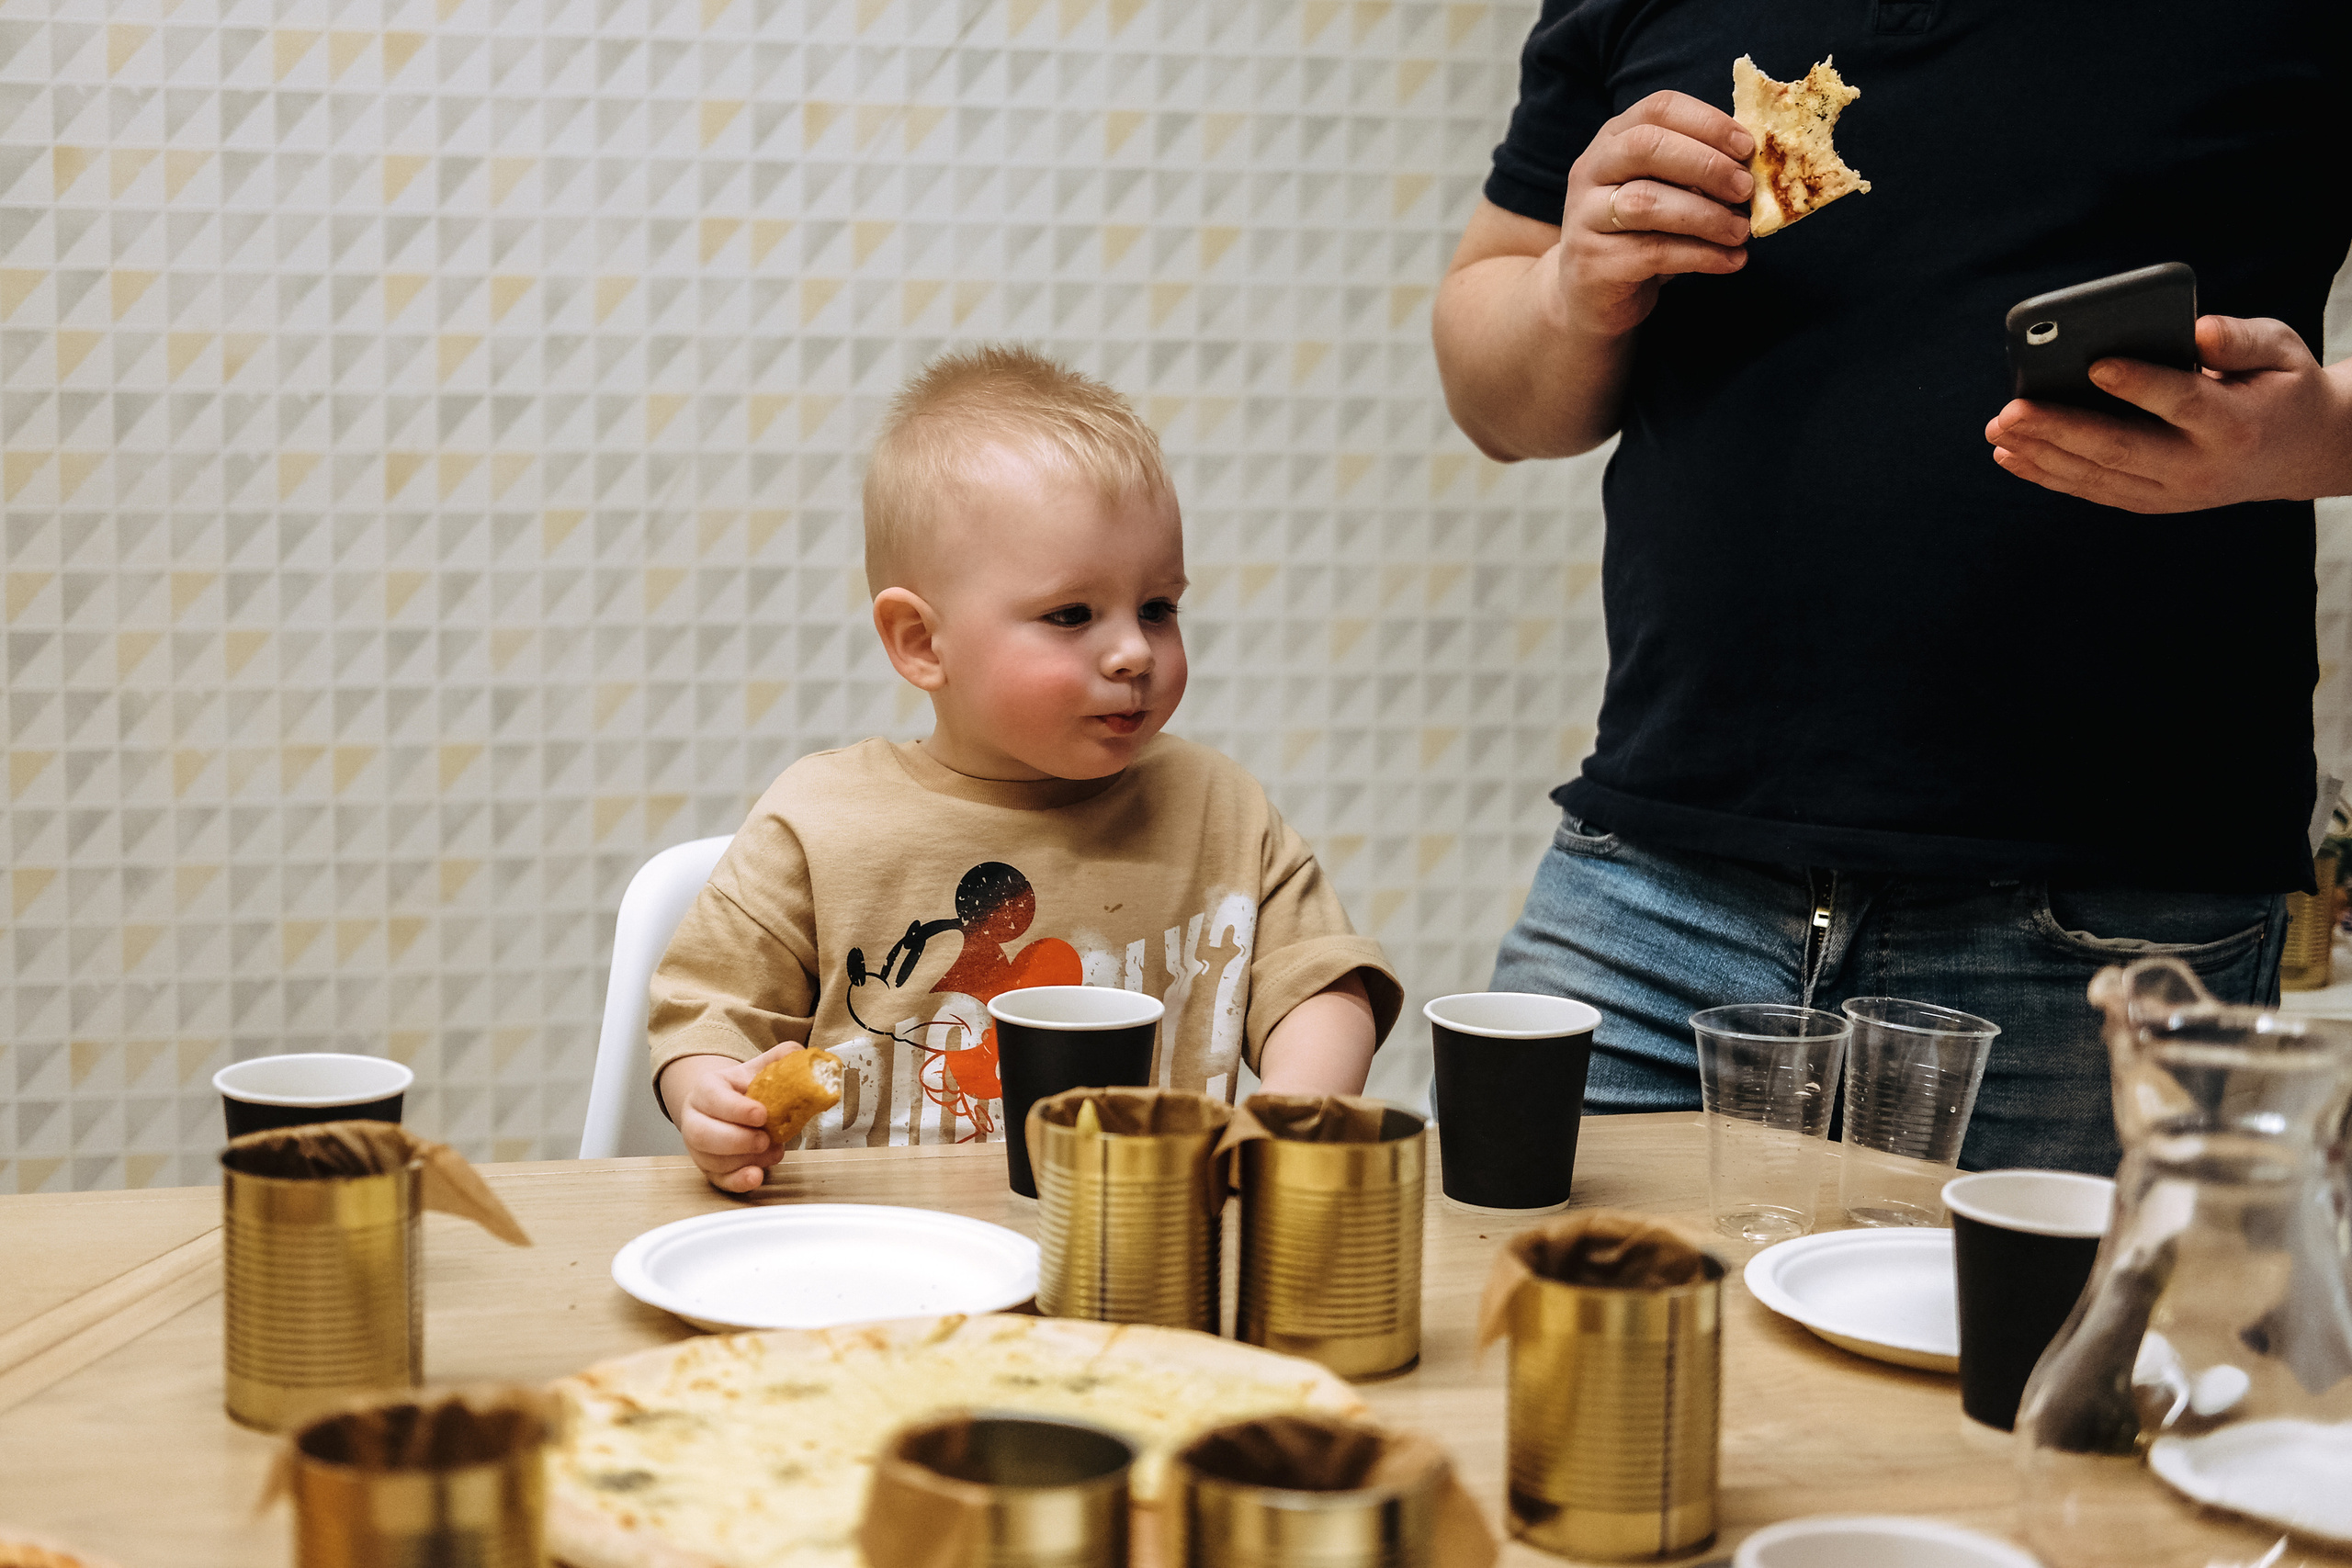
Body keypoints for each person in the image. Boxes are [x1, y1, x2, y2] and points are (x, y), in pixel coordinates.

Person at [1432, 1, 2352, 1174]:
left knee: (2031, 1363)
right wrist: (1570, 288)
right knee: (1548, 1338)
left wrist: (2311, 437)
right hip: (1652, 889)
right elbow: (1494, 399)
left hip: (2111, 939)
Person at [650, 346, 1402, 1191]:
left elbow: (1322, 985)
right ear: (921, 642)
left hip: (1146, 1249)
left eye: (1158, 608)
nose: (1132, 651)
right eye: (1071, 613)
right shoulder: (820, 821)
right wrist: (711, 1096)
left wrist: (1284, 1121)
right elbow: (706, 1017)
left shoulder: (1218, 809)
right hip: (886, 1263)